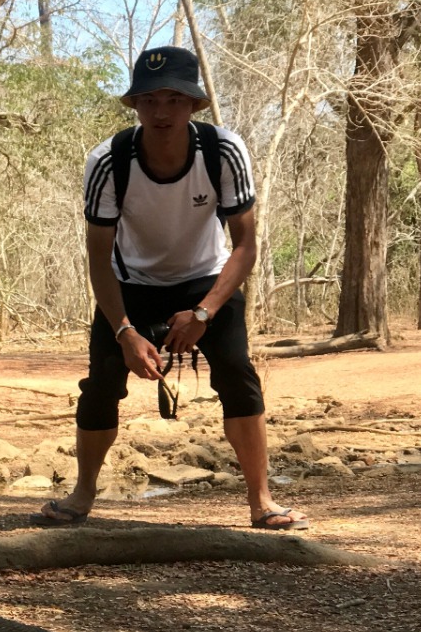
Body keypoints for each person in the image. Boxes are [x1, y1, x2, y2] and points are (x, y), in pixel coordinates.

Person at [31, 45, 309, 531]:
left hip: (205, 279)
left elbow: (245, 246)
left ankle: (261, 500)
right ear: (135, 105)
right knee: (99, 387)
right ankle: (82, 494)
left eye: (175, 100)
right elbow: (99, 256)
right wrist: (123, 331)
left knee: (238, 375)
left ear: (194, 105)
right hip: (130, 282)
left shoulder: (222, 151)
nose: (161, 111)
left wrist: (203, 313)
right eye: (149, 100)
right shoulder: (108, 160)